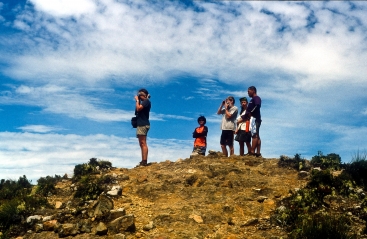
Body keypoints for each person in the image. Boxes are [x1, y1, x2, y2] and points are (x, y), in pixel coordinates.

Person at [239, 86, 261, 157]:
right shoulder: (252, 100)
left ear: (253, 91)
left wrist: (251, 113)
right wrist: (242, 118)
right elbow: (247, 113)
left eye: (248, 91)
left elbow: (257, 106)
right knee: (256, 134)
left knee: (255, 135)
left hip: (254, 118)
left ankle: (252, 151)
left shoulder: (256, 98)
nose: (248, 93)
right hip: (252, 119)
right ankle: (257, 153)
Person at [134, 88, 151, 166]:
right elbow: (137, 111)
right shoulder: (144, 102)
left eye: (141, 94)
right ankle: (143, 160)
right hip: (141, 124)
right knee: (141, 143)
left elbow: (138, 108)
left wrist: (137, 101)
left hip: (143, 124)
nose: (140, 95)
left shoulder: (146, 101)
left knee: (143, 143)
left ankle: (144, 161)